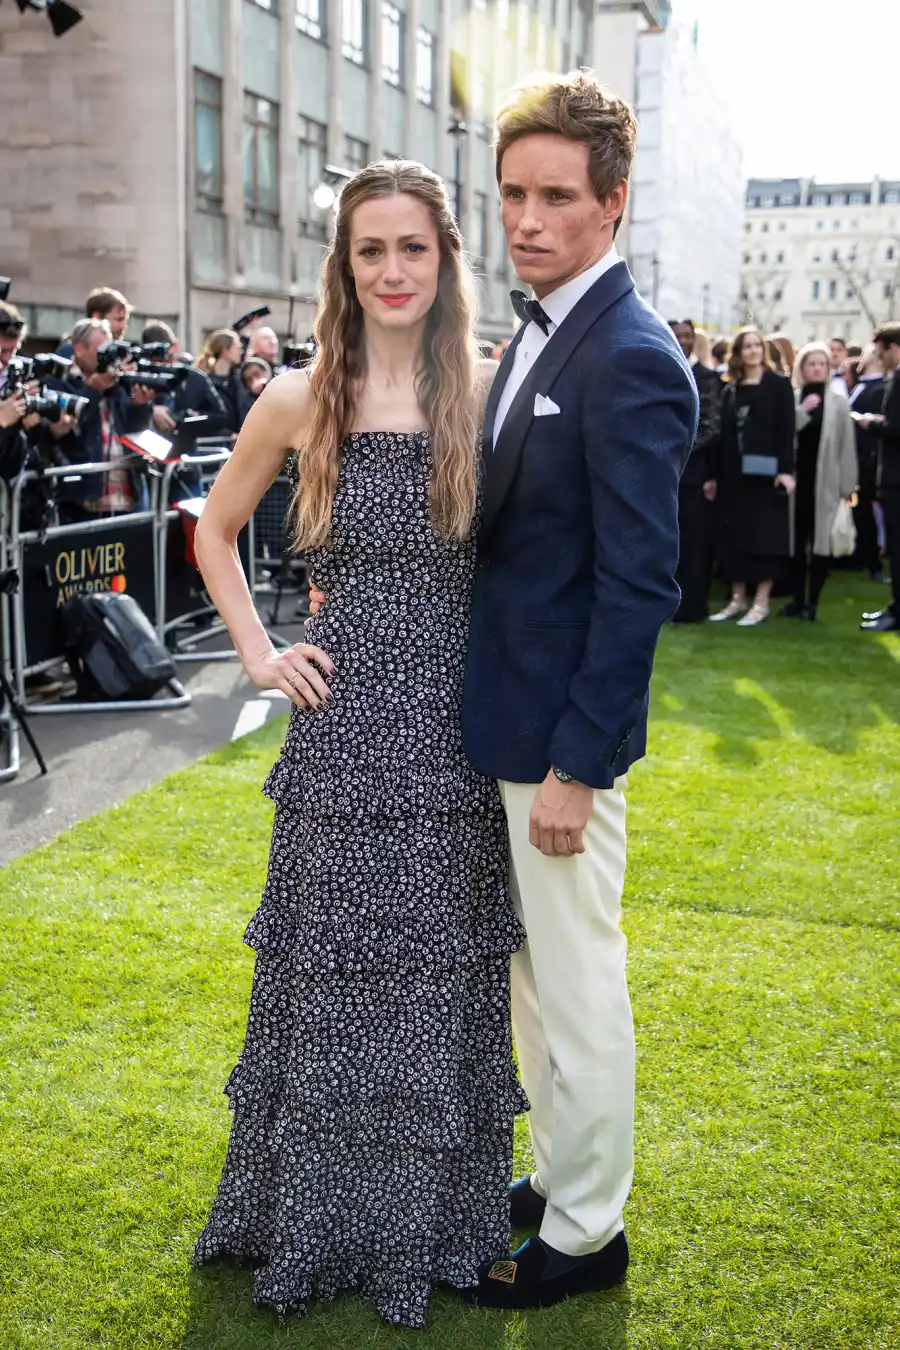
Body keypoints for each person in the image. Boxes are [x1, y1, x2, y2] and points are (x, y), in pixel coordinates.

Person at [191, 161, 527, 1328]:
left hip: (458, 736)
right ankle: (314, 1221)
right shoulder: (299, 397)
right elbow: (214, 531)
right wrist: (258, 653)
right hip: (341, 739)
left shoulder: (488, 390)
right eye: (370, 250)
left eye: (412, 248)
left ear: (445, 261)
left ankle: (432, 1224)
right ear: (343, 266)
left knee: (438, 985)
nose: (392, 271)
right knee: (331, 984)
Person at [460, 71, 697, 1310]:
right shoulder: (542, 329)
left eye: (556, 196)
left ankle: (589, 1233)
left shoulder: (631, 355)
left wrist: (578, 763)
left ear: (613, 203)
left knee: (581, 983)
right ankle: (558, 1177)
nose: (527, 218)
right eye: (513, 193)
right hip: (507, 717)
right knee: (536, 981)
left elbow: (638, 583)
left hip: (561, 740)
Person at [710, 327, 796, 626]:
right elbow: (723, 436)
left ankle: (761, 601)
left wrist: (786, 471)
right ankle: (737, 599)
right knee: (735, 538)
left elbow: (786, 431)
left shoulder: (779, 386)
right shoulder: (730, 390)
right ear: (738, 353)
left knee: (765, 538)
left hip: (767, 475)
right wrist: (714, 476)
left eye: (757, 345)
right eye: (747, 346)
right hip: (734, 477)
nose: (753, 350)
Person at [779, 343, 857, 620]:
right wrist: (802, 410)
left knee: (821, 542)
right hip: (796, 481)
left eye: (822, 364)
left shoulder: (838, 403)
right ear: (802, 367)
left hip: (826, 481)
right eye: (811, 364)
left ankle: (813, 602)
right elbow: (783, 434)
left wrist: (848, 486)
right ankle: (797, 599)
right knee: (796, 542)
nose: (817, 368)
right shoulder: (793, 398)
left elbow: (847, 446)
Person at [670, 318, 721, 622]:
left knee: (693, 540)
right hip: (665, 472)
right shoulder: (661, 369)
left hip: (693, 472)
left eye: (688, 336)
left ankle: (693, 606)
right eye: (678, 335)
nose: (684, 340)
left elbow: (711, 426)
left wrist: (676, 448)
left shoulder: (707, 376)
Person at [855, 323, 900, 631]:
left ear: (893, 348)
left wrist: (870, 423)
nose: (879, 359)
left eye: (881, 353)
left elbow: (896, 429)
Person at [847, 344, 885, 580]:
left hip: (872, 455)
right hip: (858, 454)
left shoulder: (883, 385)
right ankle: (864, 558)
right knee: (861, 509)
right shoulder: (862, 384)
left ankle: (874, 563)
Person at [57, 286, 132, 358]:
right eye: (118, 319)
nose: (124, 326)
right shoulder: (70, 350)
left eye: (125, 320)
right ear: (96, 318)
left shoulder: (116, 353)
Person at [194, 329, 244, 433]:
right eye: (238, 347)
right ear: (225, 350)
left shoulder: (237, 380)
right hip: (216, 440)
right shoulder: (203, 380)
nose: (241, 352)